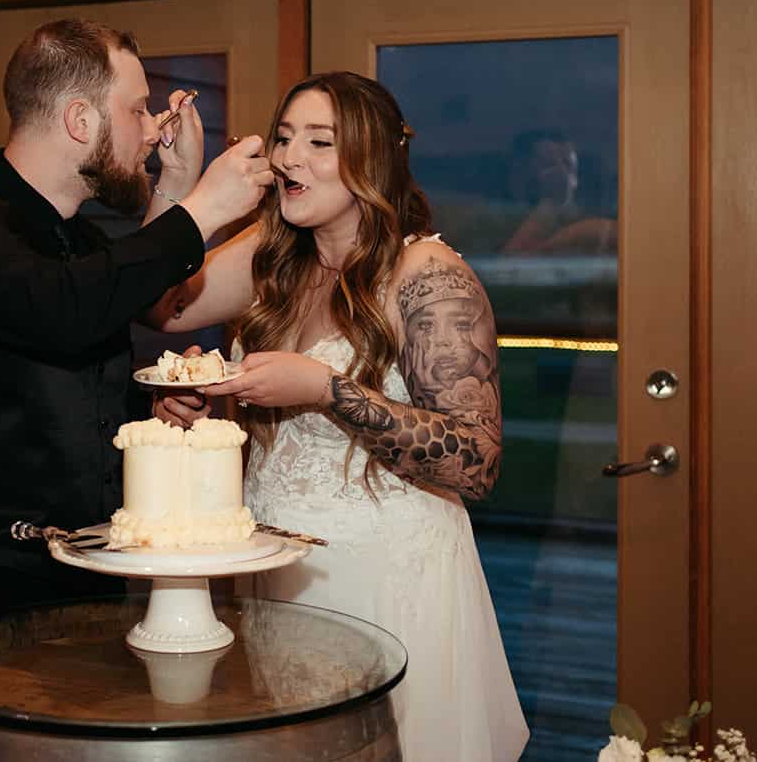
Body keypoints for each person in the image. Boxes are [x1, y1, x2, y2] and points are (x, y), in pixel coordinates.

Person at [0, 18, 273, 729]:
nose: (151, 128)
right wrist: (204, 205)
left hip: (87, 586)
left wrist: (148, 410)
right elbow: (58, 311)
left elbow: (85, 356)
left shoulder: (85, 243)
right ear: (79, 118)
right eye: (135, 109)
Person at [147, 72, 529, 761]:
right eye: (286, 137)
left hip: (388, 581)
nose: (291, 158)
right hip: (279, 581)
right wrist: (178, 188)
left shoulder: (427, 273)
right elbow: (159, 301)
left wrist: (329, 390)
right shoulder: (274, 259)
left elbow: (476, 460)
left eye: (320, 142)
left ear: (372, 160)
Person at [501, 128, 615, 255]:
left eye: (569, 167)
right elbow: (508, 267)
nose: (562, 176)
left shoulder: (593, 221)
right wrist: (551, 204)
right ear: (520, 174)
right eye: (549, 166)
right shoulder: (491, 217)